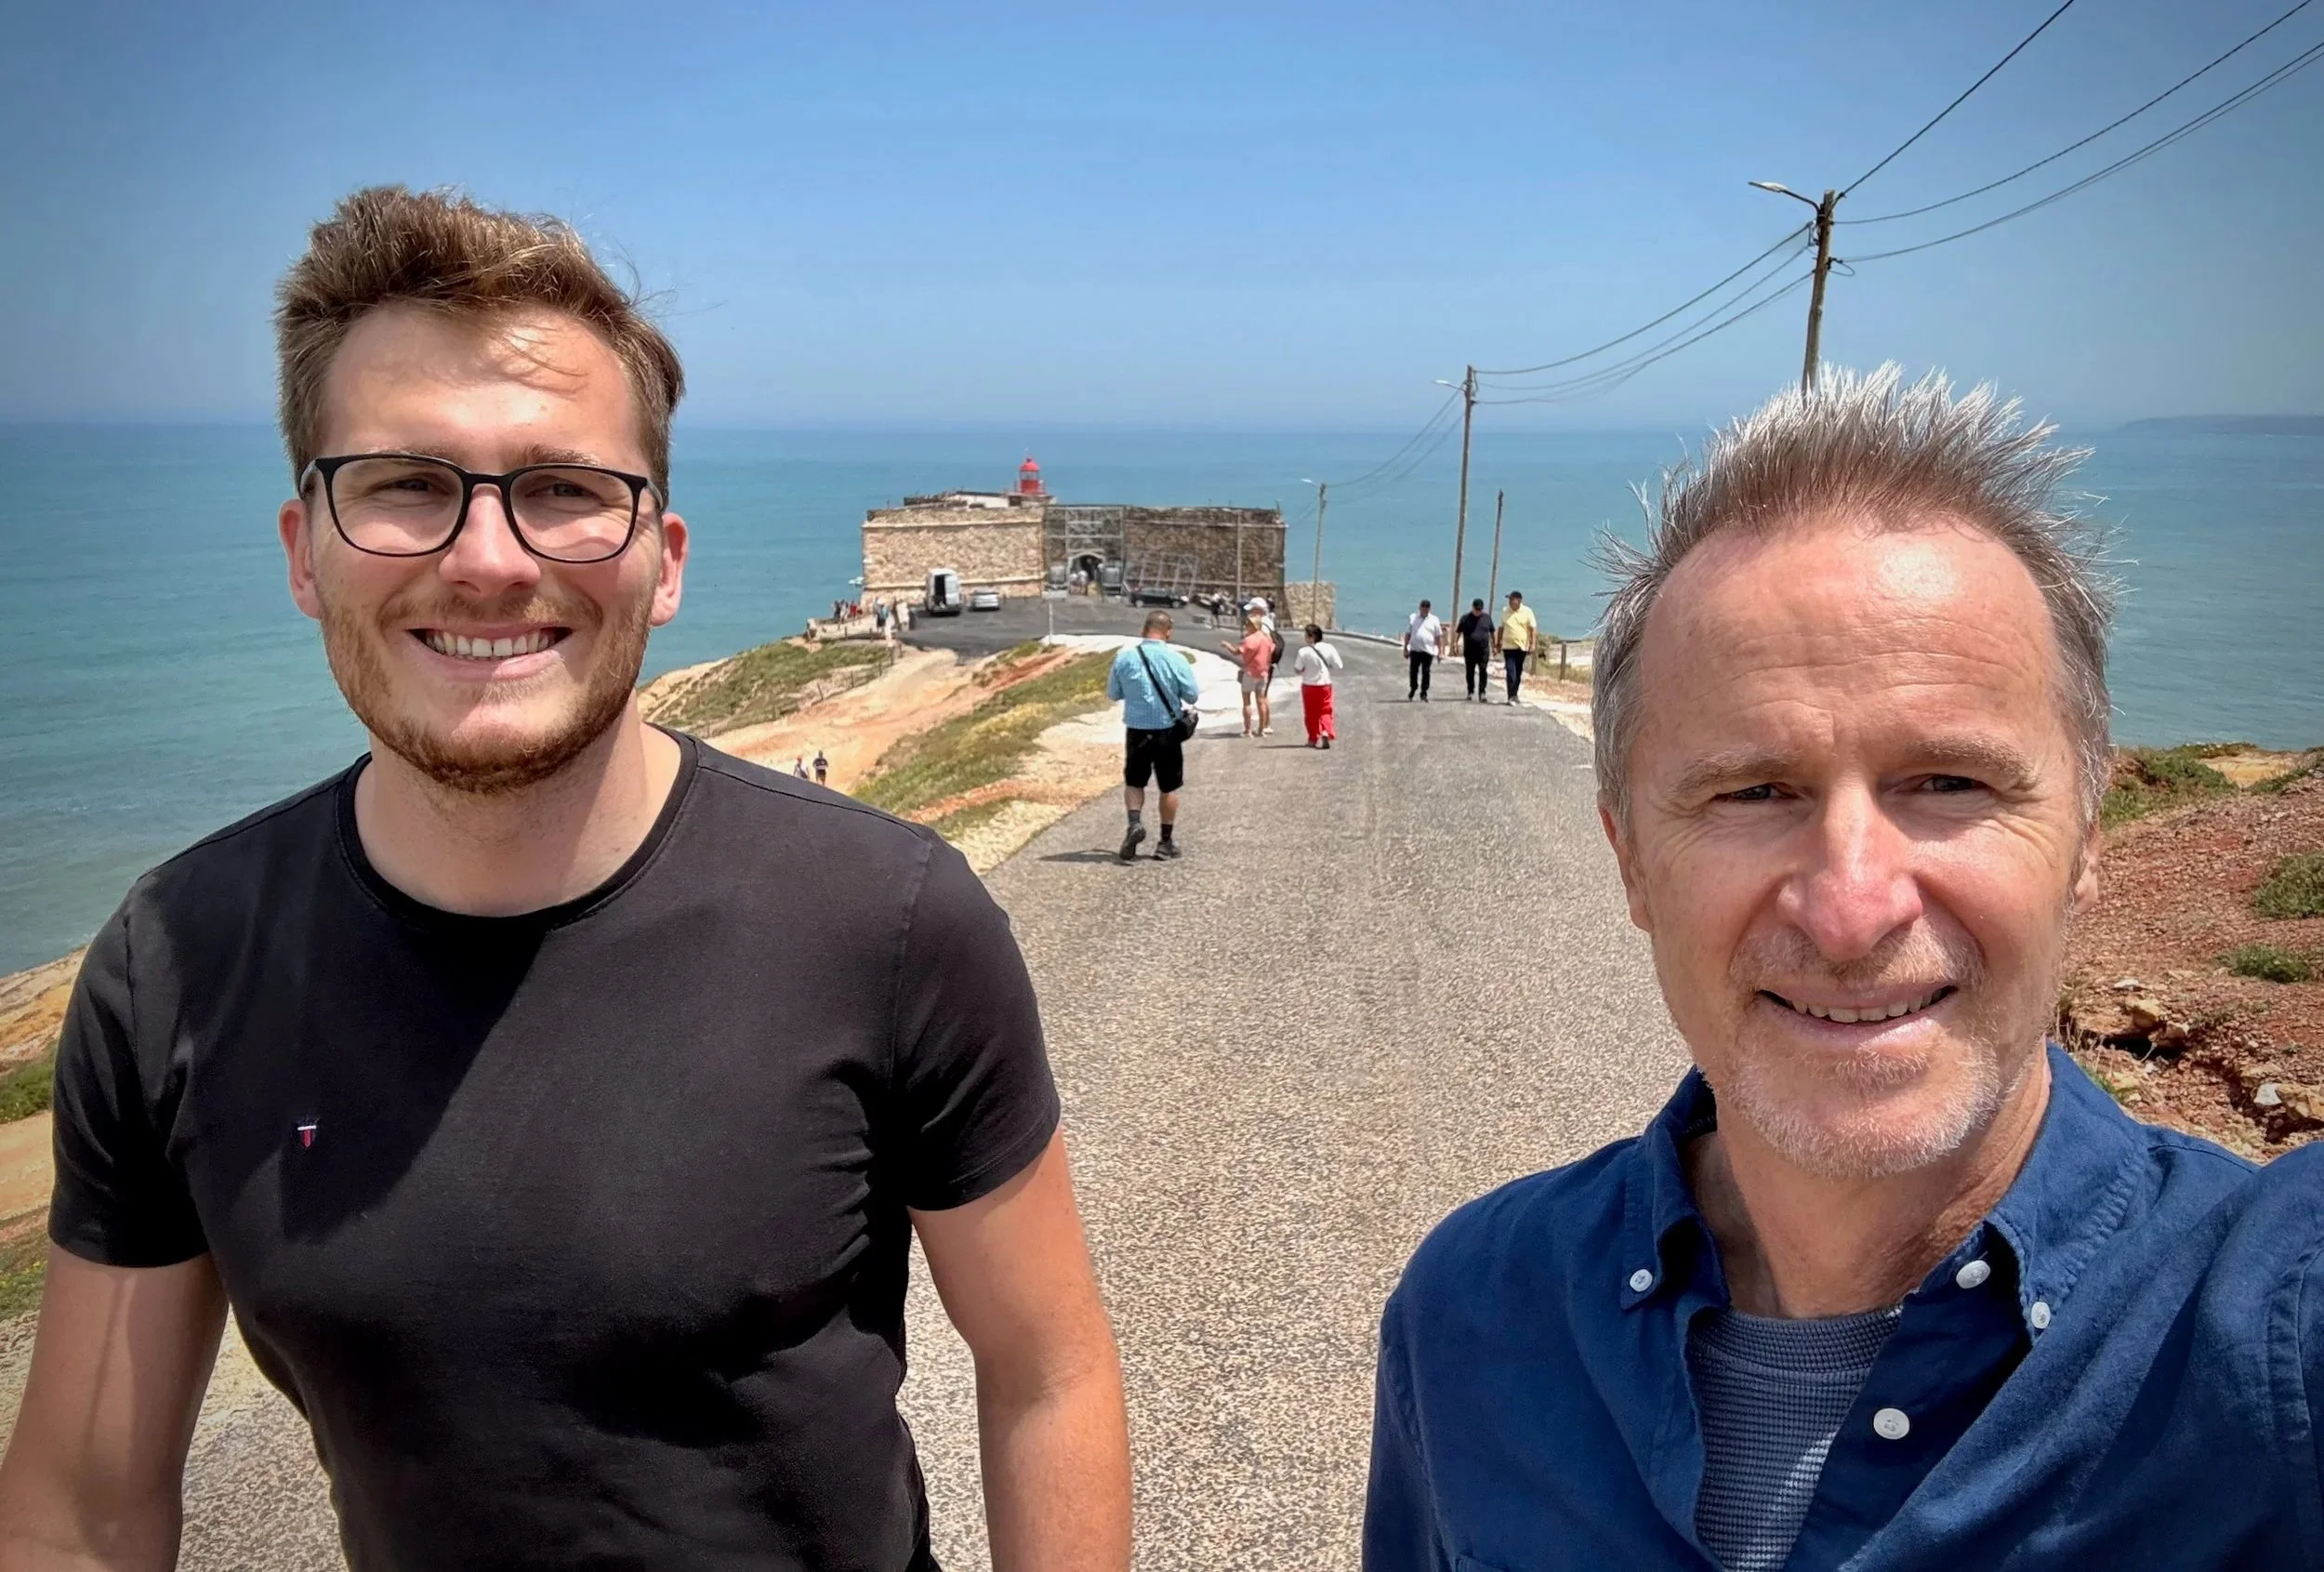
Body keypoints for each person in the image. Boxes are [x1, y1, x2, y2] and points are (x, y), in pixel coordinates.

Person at [0, 186, 1130, 1571]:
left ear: (664, 560)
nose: (488, 559)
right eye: (404, 483)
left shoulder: (885, 920)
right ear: (304, 552)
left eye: (565, 490)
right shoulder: (174, 961)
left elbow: (1046, 1369)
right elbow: (85, 1504)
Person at [1364, 365, 2324, 1570]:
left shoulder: (2271, 1333)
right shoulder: (1473, 1313)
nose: (1852, 911)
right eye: (1753, 790)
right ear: (1631, 862)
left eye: (1949, 781)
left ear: (2085, 840)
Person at [1106, 610, 1200, 862]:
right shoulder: (1176, 659)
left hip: (1136, 730)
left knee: (1134, 782)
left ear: (1143, 630)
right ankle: (1165, 842)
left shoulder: (1124, 658)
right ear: (1168, 632)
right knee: (1169, 787)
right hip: (1167, 731)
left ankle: (1134, 823)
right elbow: (1192, 695)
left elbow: (1114, 693)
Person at [1220, 605, 1274, 738]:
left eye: (1247, 625)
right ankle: (1261, 729)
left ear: (1252, 626)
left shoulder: (1249, 640)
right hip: (1263, 673)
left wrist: (1227, 645)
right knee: (1261, 700)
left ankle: (1248, 730)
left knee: (1247, 702)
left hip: (1250, 673)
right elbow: (1270, 652)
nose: (1245, 627)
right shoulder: (1266, 639)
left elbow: (1236, 652)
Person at [1291, 623, 1344, 748]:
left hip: (1308, 686)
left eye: (1306, 635)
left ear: (1312, 637)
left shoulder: (1303, 651)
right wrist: (1328, 666)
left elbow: (1297, 669)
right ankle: (1326, 731)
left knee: (1311, 713)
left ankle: (1313, 738)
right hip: (1324, 685)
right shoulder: (1329, 648)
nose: (1305, 638)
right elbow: (1339, 666)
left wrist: (1305, 670)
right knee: (1325, 710)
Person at [1495, 588, 1538, 705]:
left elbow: (1532, 628)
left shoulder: (1527, 611)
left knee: (1518, 672)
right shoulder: (1505, 611)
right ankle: (1510, 696)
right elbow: (1501, 628)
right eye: (1509, 599)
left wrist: (1532, 644)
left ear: (1518, 601)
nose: (1509, 602)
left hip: (1522, 647)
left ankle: (1514, 694)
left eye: (1512, 599)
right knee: (1510, 671)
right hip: (1508, 647)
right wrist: (1498, 643)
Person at [1401, 598, 1441, 701]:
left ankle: (1424, 692)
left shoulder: (1434, 620)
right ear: (1419, 607)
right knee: (1413, 671)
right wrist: (1405, 648)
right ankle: (1413, 688)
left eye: (1426, 607)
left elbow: (1438, 636)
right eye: (1423, 607)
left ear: (1429, 609)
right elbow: (1408, 633)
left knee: (1426, 672)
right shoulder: (1413, 618)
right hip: (1415, 650)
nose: (1424, 609)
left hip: (1428, 650)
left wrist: (1439, 652)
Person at [1455, 597, 1493, 701]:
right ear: (1472, 607)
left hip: (1483, 650)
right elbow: (1458, 632)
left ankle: (1482, 693)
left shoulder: (1487, 618)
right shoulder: (1465, 618)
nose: (1477, 611)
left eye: (1479, 610)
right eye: (1476, 609)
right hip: (1469, 650)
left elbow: (1492, 631)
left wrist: (1495, 645)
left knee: (1483, 670)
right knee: (1470, 671)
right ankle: (1470, 691)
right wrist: (1455, 644)